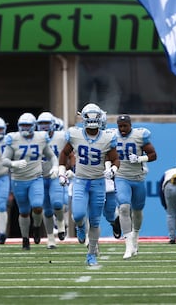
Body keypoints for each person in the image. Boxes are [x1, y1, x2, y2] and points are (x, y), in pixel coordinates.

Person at [58, 103, 120, 266]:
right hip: (81, 181)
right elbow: (64, 153)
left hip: (98, 182)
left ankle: (91, 254)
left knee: (95, 221)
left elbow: (115, 158)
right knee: (78, 215)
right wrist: (61, 171)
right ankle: (79, 227)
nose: (92, 121)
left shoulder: (107, 137)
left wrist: (113, 169)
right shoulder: (75, 134)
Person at [2, 113, 57, 249]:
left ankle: (36, 226)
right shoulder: (13, 139)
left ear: (33, 126)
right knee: (24, 211)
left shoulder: (41, 138)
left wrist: (56, 166)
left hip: (35, 178)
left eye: (27, 125)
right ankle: (25, 238)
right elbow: (4, 160)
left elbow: (51, 156)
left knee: (38, 206)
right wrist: (13, 164)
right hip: (18, 179)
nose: (25, 128)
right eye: (23, 125)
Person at [114, 114, 157, 259]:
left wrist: (140, 158)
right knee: (124, 208)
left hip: (138, 178)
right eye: (120, 126)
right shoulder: (113, 136)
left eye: (125, 126)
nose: (122, 129)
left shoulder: (140, 136)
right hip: (121, 177)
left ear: (130, 125)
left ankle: (136, 237)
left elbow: (153, 155)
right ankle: (128, 245)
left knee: (137, 211)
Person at [38, 112, 68, 248]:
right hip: (40, 176)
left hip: (55, 175)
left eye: (46, 124)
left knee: (57, 203)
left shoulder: (61, 136)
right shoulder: (35, 138)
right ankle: (50, 238)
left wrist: (65, 169)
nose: (44, 127)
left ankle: (61, 222)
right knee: (47, 210)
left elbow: (70, 153)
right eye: (41, 124)